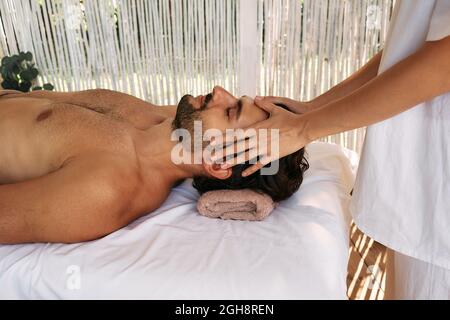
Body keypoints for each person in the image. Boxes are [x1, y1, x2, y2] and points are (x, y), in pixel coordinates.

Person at [216, 0, 450, 299]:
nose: (220, 92)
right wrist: (311, 111)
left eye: (231, 110)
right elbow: (409, 49)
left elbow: (443, 63)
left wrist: (304, 127)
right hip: (424, 188)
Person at [0, 86, 308, 244]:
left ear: (218, 163)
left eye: (230, 112)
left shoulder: (108, 188)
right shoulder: (160, 120)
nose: (219, 92)